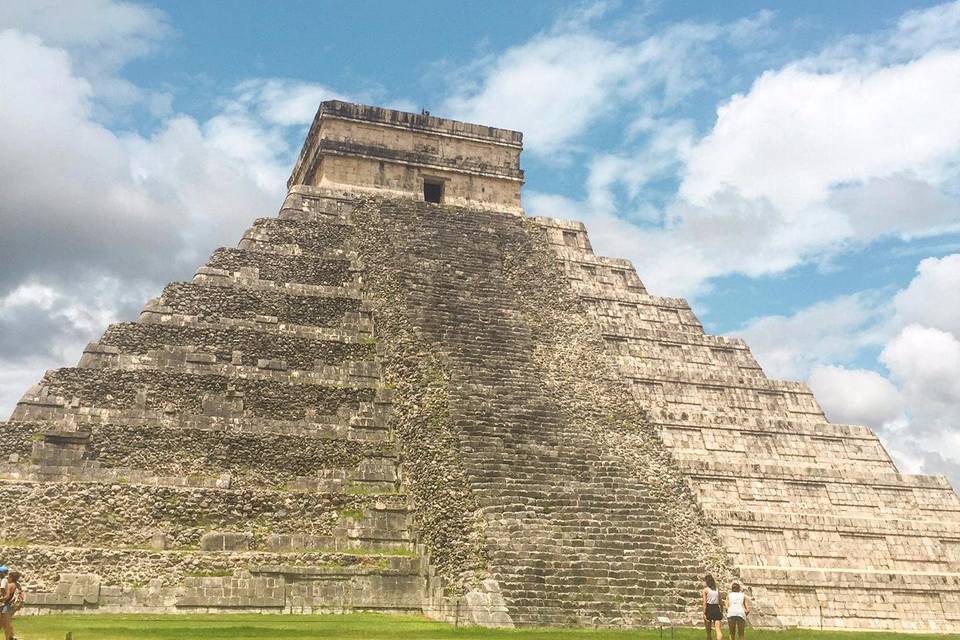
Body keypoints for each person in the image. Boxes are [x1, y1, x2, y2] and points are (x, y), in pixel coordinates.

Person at [0, 571, 23, 640]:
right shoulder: (17, 585)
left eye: (9, 577)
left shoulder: (10, 585)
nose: (7, 578)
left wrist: (1, 599)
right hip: (12, 606)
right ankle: (11, 636)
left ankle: (9, 638)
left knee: (6, 624)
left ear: (12, 578)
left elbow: (7, 596)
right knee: (5, 623)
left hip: (6, 606)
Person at [702, 574, 724, 640]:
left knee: (708, 632)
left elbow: (704, 603)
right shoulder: (717, 590)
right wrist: (721, 611)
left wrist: (704, 613)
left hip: (709, 608)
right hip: (716, 608)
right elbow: (720, 602)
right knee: (718, 630)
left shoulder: (705, 590)